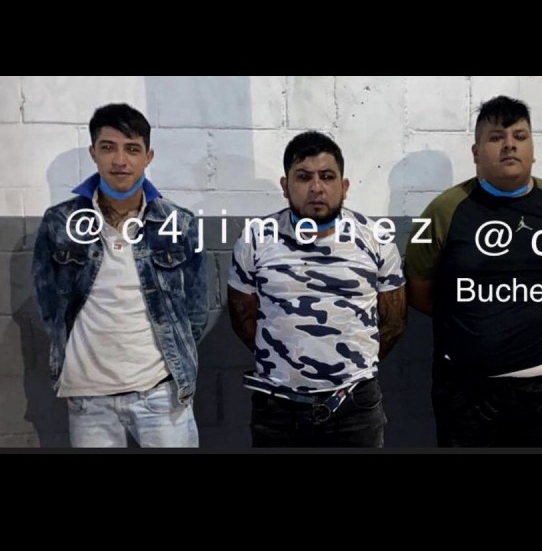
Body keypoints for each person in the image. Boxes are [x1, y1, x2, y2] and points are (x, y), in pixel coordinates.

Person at [403, 95, 542, 447]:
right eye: (496, 137)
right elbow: (420, 293)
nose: (509, 145)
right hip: (467, 392)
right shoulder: (443, 211)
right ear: (476, 152)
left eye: (520, 136)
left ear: (533, 149)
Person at [32, 103, 208, 447]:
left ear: (148, 157)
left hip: (161, 394)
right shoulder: (59, 222)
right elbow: (49, 305)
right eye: (108, 147)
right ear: (93, 153)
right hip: (88, 397)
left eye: (132, 149)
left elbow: (196, 311)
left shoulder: (179, 223)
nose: (120, 160)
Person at [227, 131, 406, 447]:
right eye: (303, 177)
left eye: (327, 176)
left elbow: (393, 323)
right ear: (285, 186)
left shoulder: (376, 239)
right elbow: (243, 320)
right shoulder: (256, 239)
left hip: (355, 408)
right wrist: (287, 360)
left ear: (344, 186)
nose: (316, 187)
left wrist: (354, 365)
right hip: (277, 408)